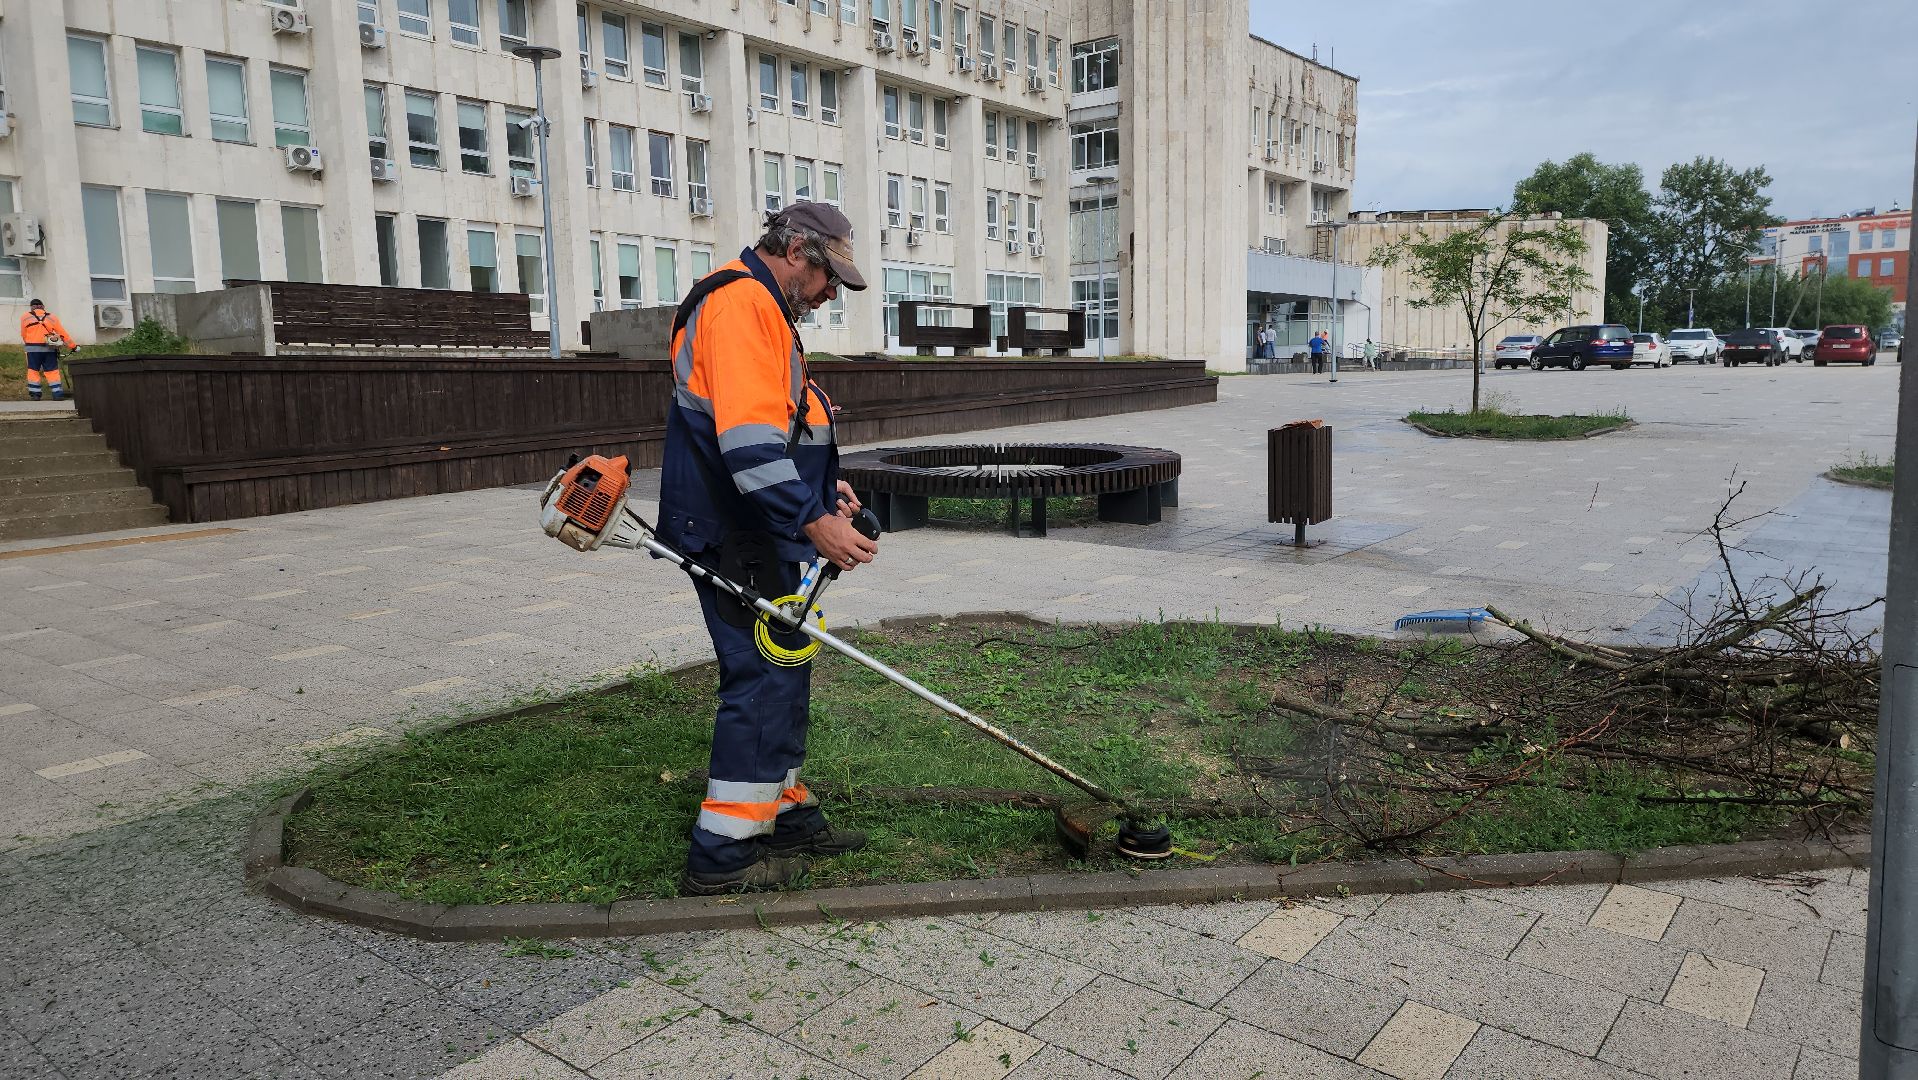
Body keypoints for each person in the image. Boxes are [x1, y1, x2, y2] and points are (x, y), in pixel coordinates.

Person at [658, 201, 879, 895]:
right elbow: (748, 447)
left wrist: (824, 494)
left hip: (766, 527)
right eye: (827, 277)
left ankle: (777, 808)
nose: (829, 294)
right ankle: (722, 854)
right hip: (736, 532)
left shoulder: (765, 309)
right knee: (758, 677)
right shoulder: (742, 303)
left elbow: (780, 429)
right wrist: (814, 525)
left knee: (783, 668)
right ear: (795, 252)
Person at [20, 300, 75, 401]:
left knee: (33, 371)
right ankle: (57, 394)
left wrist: (29, 342)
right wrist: (73, 346)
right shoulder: (52, 317)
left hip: (32, 349)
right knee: (52, 371)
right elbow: (62, 334)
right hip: (49, 349)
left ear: (32, 307)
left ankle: (35, 395)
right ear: (43, 307)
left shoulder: (25, 317)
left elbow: (23, 334)